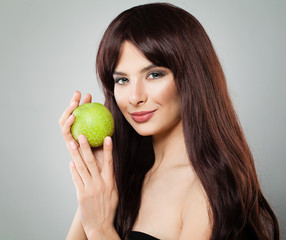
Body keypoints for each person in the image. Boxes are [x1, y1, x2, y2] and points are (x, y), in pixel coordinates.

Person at [59, 3, 280, 240]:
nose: (135, 97)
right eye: (122, 80)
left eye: (154, 74)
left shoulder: (206, 192)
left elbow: (97, 227)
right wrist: (93, 180)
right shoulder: (124, 175)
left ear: (191, 78)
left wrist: (100, 229)